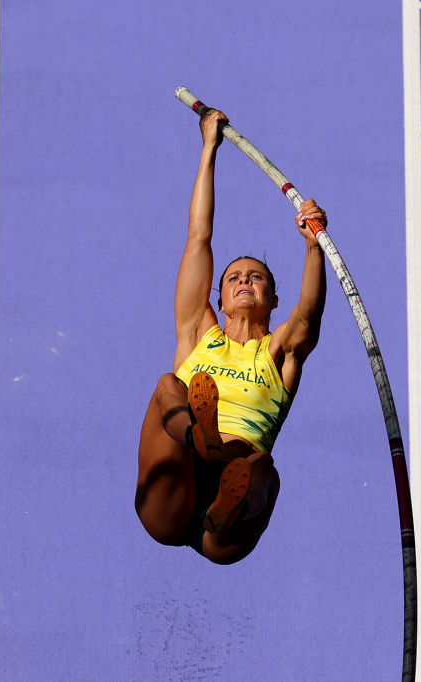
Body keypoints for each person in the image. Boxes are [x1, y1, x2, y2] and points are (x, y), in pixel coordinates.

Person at [134, 106, 327, 565]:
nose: (244, 280)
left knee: (262, 469)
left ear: (273, 299)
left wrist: (312, 246)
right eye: (234, 277)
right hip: (171, 493)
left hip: (225, 528)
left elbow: (309, 313)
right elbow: (198, 238)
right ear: (219, 299)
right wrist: (208, 149)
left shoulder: (281, 352)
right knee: (168, 385)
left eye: (256, 277)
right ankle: (201, 439)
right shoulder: (197, 333)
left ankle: (225, 505)